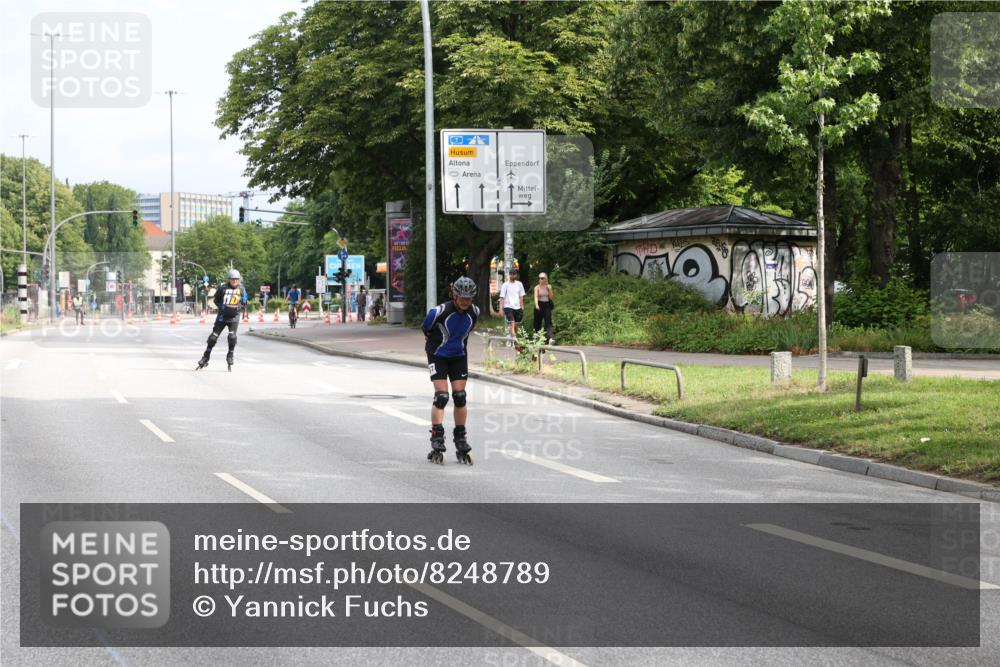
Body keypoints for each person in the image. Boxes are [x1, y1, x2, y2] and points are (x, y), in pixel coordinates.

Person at [421, 276, 480, 465]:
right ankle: (437, 437)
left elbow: (465, 332)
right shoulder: (439, 312)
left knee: (460, 396)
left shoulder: (475, 312)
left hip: (458, 356)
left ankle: (460, 437)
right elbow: (426, 329)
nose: (465, 302)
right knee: (442, 396)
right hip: (437, 354)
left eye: (469, 299)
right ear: (454, 296)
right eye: (462, 298)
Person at [197, 269, 247, 371]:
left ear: (239, 280)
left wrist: (243, 309)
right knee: (213, 338)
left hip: (234, 317)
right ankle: (205, 357)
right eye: (232, 279)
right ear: (229, 279)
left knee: (232, 336)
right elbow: (216, 300)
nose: (234, 281)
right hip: (222, 316)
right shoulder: (222, 288)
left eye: (236, 279)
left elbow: (245, 301)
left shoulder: (242, 289)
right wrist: (221, 307)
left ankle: (230, 354)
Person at [498, 269, 526, 340]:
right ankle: (515, 341)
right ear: (509, 275)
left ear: (516, 275)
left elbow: (521, 296)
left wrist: (522, 307)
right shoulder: (505, 285)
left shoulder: (519, 284)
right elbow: (502, 298)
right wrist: (501, 309)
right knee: (512, 323)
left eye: (514, 274)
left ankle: (511, 336)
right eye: (511, 274)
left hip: (517, 307)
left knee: (516, 325)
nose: (512, 275)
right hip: (508, 307)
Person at [533, 272, 555, 344]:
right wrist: (536, 304)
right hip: (539, 304)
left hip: (547, 305)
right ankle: (537, 338)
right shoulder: (537, 287)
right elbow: (536, 297)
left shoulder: (549, 286)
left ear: (545, 279)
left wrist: (549, 289)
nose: (540, 279)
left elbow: (551, 298)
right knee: (537, 323)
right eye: (539, 278)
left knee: (548, 322)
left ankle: (550, 338)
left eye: (542, 278)